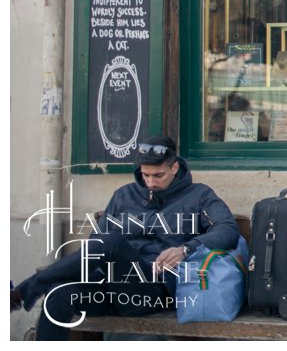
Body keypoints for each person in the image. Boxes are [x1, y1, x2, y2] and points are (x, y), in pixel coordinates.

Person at [10, 136, 240, 340]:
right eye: (145, 174)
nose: (151, 182)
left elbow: (227, 230)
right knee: (57, 298)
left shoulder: (199, 195)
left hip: (153, 291)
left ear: (174, 167)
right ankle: (37, 288)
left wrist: (186, 249)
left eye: (158, 175)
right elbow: (95, 246)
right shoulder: (124, 195)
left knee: (111, 242)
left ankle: (28, 289)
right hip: (110, 288)